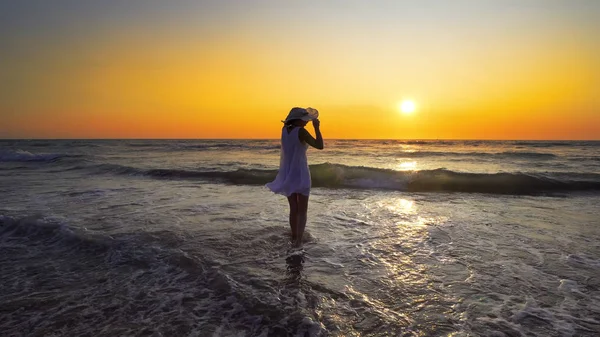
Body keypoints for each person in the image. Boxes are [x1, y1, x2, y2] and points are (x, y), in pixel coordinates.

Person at [266, 107, 324, 247]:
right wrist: (317, 128)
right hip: (301, 173)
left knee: (294, 208)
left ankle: (294, 236)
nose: (306, 122)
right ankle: (299, 240)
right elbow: (319, 145)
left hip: (288, 174)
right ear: (298, 119)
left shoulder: (284, 131)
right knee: (302, 210)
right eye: (304, 120)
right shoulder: (301, 131)